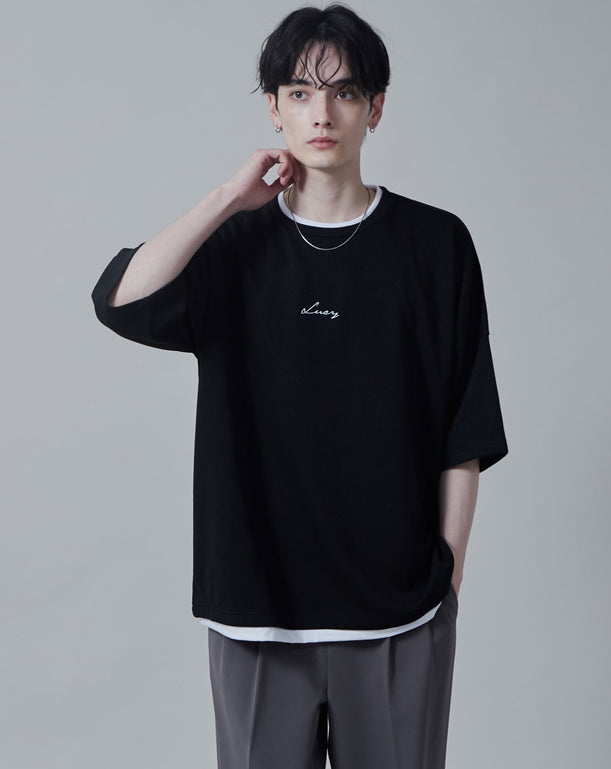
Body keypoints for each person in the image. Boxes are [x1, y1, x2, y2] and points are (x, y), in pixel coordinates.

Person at [91, 4, 508, 767]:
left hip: (399, 612)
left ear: (374, 108)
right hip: (255, 608)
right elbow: (119, 299)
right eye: (300, 92)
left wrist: (446, 578)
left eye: (344, 92)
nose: (322, 114)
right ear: (274, 108)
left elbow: (464, 424)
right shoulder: (233, 247)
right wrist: (228, 197)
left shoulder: (434, 245)